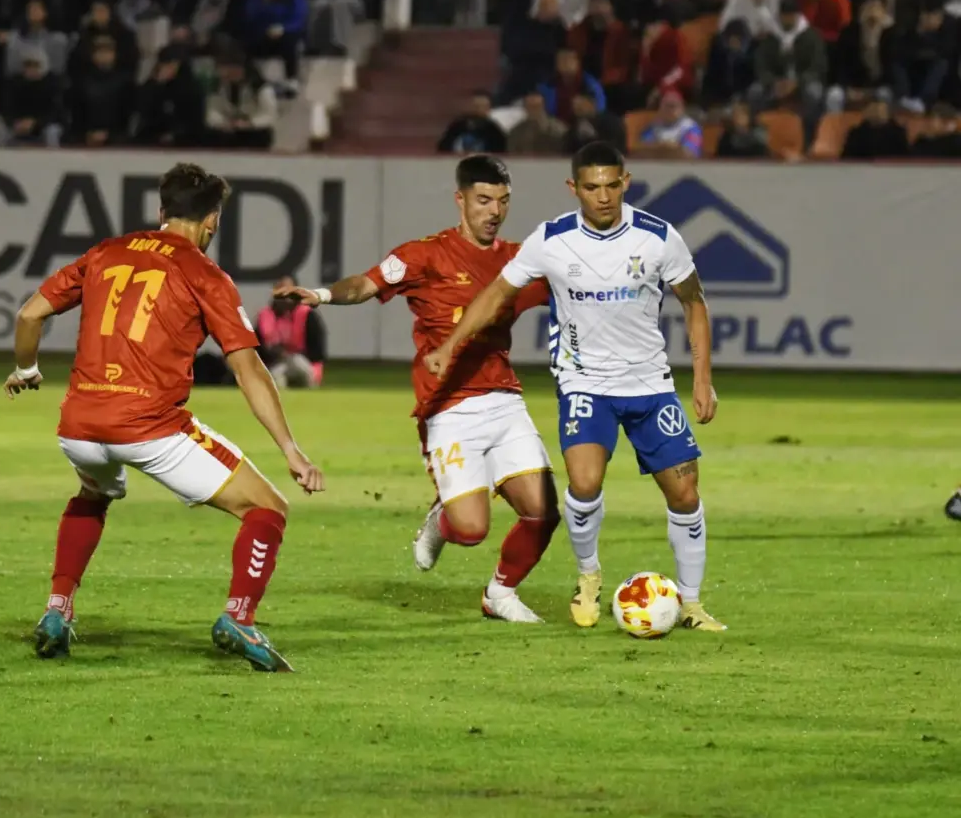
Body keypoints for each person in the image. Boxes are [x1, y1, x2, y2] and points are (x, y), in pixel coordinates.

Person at [3, 163, 324, 673]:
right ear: (213, 221)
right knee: (268, 509)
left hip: (80, 426)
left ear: (161, 211)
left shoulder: (106, 252)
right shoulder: (205, 274)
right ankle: (239, 617)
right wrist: (290, 448)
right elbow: (248, 370)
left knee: (94, 494)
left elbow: (29, 315)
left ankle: (58, 609)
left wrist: (26, 368)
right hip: (148, 429)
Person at [424, 142, 726, 633]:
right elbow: (497, 292)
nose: (603, 196)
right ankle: (588, 576)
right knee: (584, 483)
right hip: (584, 384)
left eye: (612, 185)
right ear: (574, 189)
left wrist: (704, 379)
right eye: (592, 187)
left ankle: (690, 604)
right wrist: (452, 344)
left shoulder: (658, 237)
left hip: (649, 384)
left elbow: (694, 302)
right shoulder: (552, 240)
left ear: (625, 182)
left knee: (686, 493)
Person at [275, 156, 558, 623]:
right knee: (470, 530)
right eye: (484, 200)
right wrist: (323, 295)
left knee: (543, 512)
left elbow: (574, 286)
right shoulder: (424, 255)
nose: (494, 211)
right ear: (460, 200)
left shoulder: (516, 262)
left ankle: (500, 594)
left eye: (503, 202)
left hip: (505, 401)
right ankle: (441, 517)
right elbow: (366, 284)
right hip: (449, 408)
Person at [256, 277, 326, 388]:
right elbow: (258, 349)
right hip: (275, 363)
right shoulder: (265, 316)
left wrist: (292, 354)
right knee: (276, 378)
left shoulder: (307, 315)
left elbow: (317, 352)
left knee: (299, 365)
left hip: (303, 362)